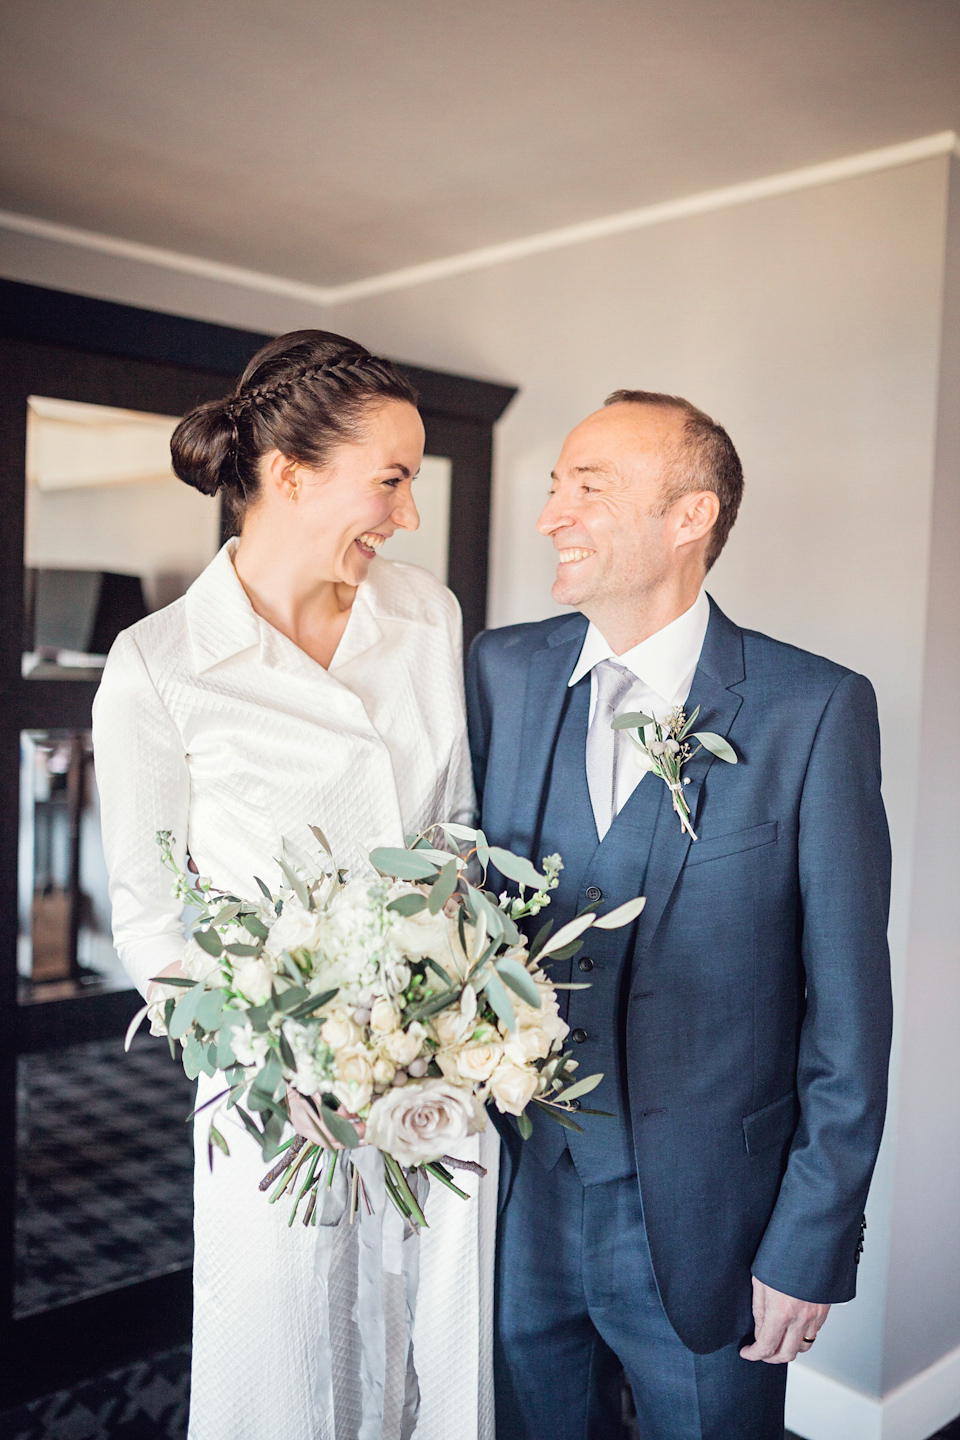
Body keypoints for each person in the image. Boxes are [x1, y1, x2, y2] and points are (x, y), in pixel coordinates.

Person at [92, 330, 498, 1440]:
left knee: (437, 1334)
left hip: (435, 1076)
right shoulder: (159, 667)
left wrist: (463, 1001)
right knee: (287, 1346)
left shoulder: (426, 616)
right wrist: (258, 1052)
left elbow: (454, 830)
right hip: (274, 1088)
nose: (407, 514)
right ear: (289, 474)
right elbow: (149, 915)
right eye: (393, 478)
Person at [466, 391, 892, 1440]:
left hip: (713, 1222)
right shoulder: (500, 671)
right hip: (518, 1200)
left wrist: (812, 1241)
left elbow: (848, 1007)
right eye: (555, 485)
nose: (551, 513)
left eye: (588, 486)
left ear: (689, 517)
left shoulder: (812, 709)